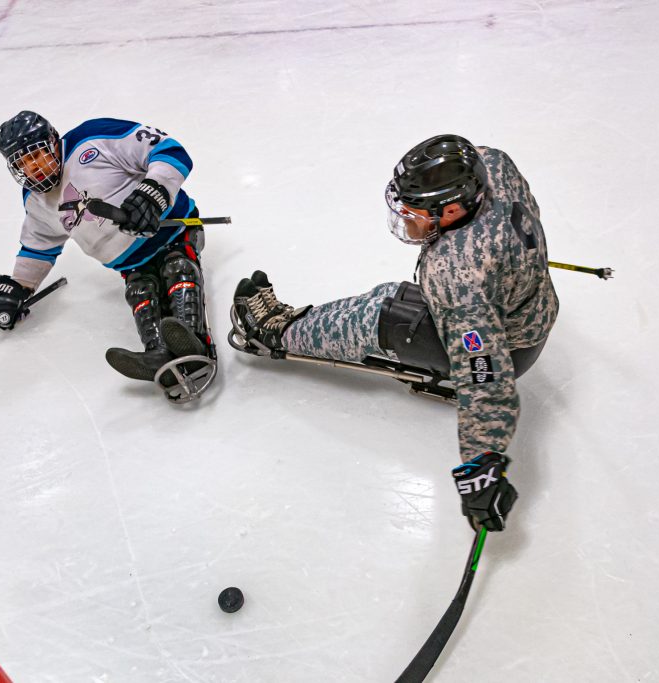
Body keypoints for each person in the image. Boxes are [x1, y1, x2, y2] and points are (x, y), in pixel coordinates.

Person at [229, 134, 558, 531]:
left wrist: (481, 466)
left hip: (509, 346)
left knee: (382, 311)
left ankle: (276, 330)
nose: (407, 219)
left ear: (452, 210)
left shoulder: (457, 273)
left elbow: (485, 374)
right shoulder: (493, 164)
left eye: (415, 212)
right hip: (531, 310)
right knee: (402, 301)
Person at [0, 111, 217, 401]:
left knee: (177, 268)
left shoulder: (93, 137)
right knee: (141, 291)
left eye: (36, 156)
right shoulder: (35, 200)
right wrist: (19, 286)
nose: (32, 169)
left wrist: (153, 194)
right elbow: (39, 244)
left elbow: (169, 150)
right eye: (21, 164)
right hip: (132, 264)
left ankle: (193, 342)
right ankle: (157, 351)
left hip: (172, 232)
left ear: (52, 142)